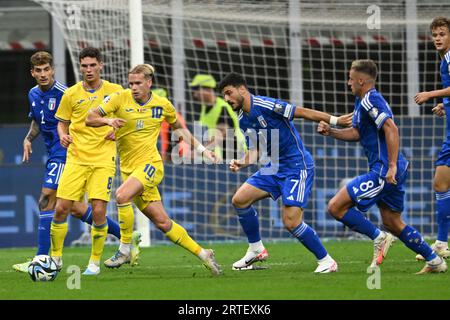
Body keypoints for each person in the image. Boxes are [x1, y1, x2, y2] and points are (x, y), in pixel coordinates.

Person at [85, 64, 222, 276]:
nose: (134, 87)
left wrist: (203, 150)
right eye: (131, 83)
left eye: (138, 83)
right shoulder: (119, 98)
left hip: (151, 165)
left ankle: (125, 248)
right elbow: (90, 118)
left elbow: (179, 128)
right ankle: (204, 254)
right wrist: (108, 120)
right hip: (130, 171)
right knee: (162, 222)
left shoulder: (162, 105)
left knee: (121, 196)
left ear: (149, 83)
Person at [318, 59, 447, 274]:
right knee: (393, 221)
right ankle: (435, 260)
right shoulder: (362, 102)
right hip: (391, 169)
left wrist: (392, 166)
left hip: (384, 170)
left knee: (335, 206)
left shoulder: (371, 100)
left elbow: (391, 128)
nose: (348, 82)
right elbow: (357, 133)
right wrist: (331, 132)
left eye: (351, 78)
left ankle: (379, 237)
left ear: (361, 80)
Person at [218, 72, 353, 273]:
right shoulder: (242, 119)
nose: (227, 99)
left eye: (229, 93)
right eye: (224, 96)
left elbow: (302, 112)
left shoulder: (266, 105)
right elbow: (256, 150)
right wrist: (241, 163)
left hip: (296, 166)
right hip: (273, 168)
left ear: (242, 90)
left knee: (291, 222)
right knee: (239, 200)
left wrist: (335, 120)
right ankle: (256, 250)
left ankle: (326, 261)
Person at [12, 51, 121, 273]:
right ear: (32, 72)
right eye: (38, 70)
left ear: (53, 70)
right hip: (54, 152)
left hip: (67, 153)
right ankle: (127, 236)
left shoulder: (64, 93)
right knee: (76, 210)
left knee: (46, 200)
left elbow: (79, 122)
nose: (43, 74)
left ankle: (42, 259)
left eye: (46, 69)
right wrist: (28, 138)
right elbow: (38, 121)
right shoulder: (32, 94)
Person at [50, 47, 131, 276]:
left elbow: (129, 116)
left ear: (101, 65)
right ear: (80, 67)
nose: (88, 70)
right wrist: (62, 134)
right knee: (61, 208)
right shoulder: (71, 94)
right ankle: (55, 259)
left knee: (98, 210)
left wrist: (118, 131)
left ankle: (94, 263)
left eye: (92, 65)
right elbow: (62, 122)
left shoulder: (115, 91)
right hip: (76, 158)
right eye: (84, 66)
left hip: (104, 158)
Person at [414, 16, 450, 261]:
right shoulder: (444, 59)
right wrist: (444, 104)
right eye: (435, 35)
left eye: (442, 34)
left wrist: (430, 94)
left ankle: (441, 243)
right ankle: (441, 242)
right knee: (441, 183)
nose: (437, 38)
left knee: (440, 183)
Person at [190, 74, 246, 160]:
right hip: (222, 158)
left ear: (207, 89)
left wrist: (199, 151)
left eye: (196, 90)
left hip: (237, 156)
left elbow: (220, 135)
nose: (194, 94)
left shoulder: (222, 107)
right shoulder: (204, 109)